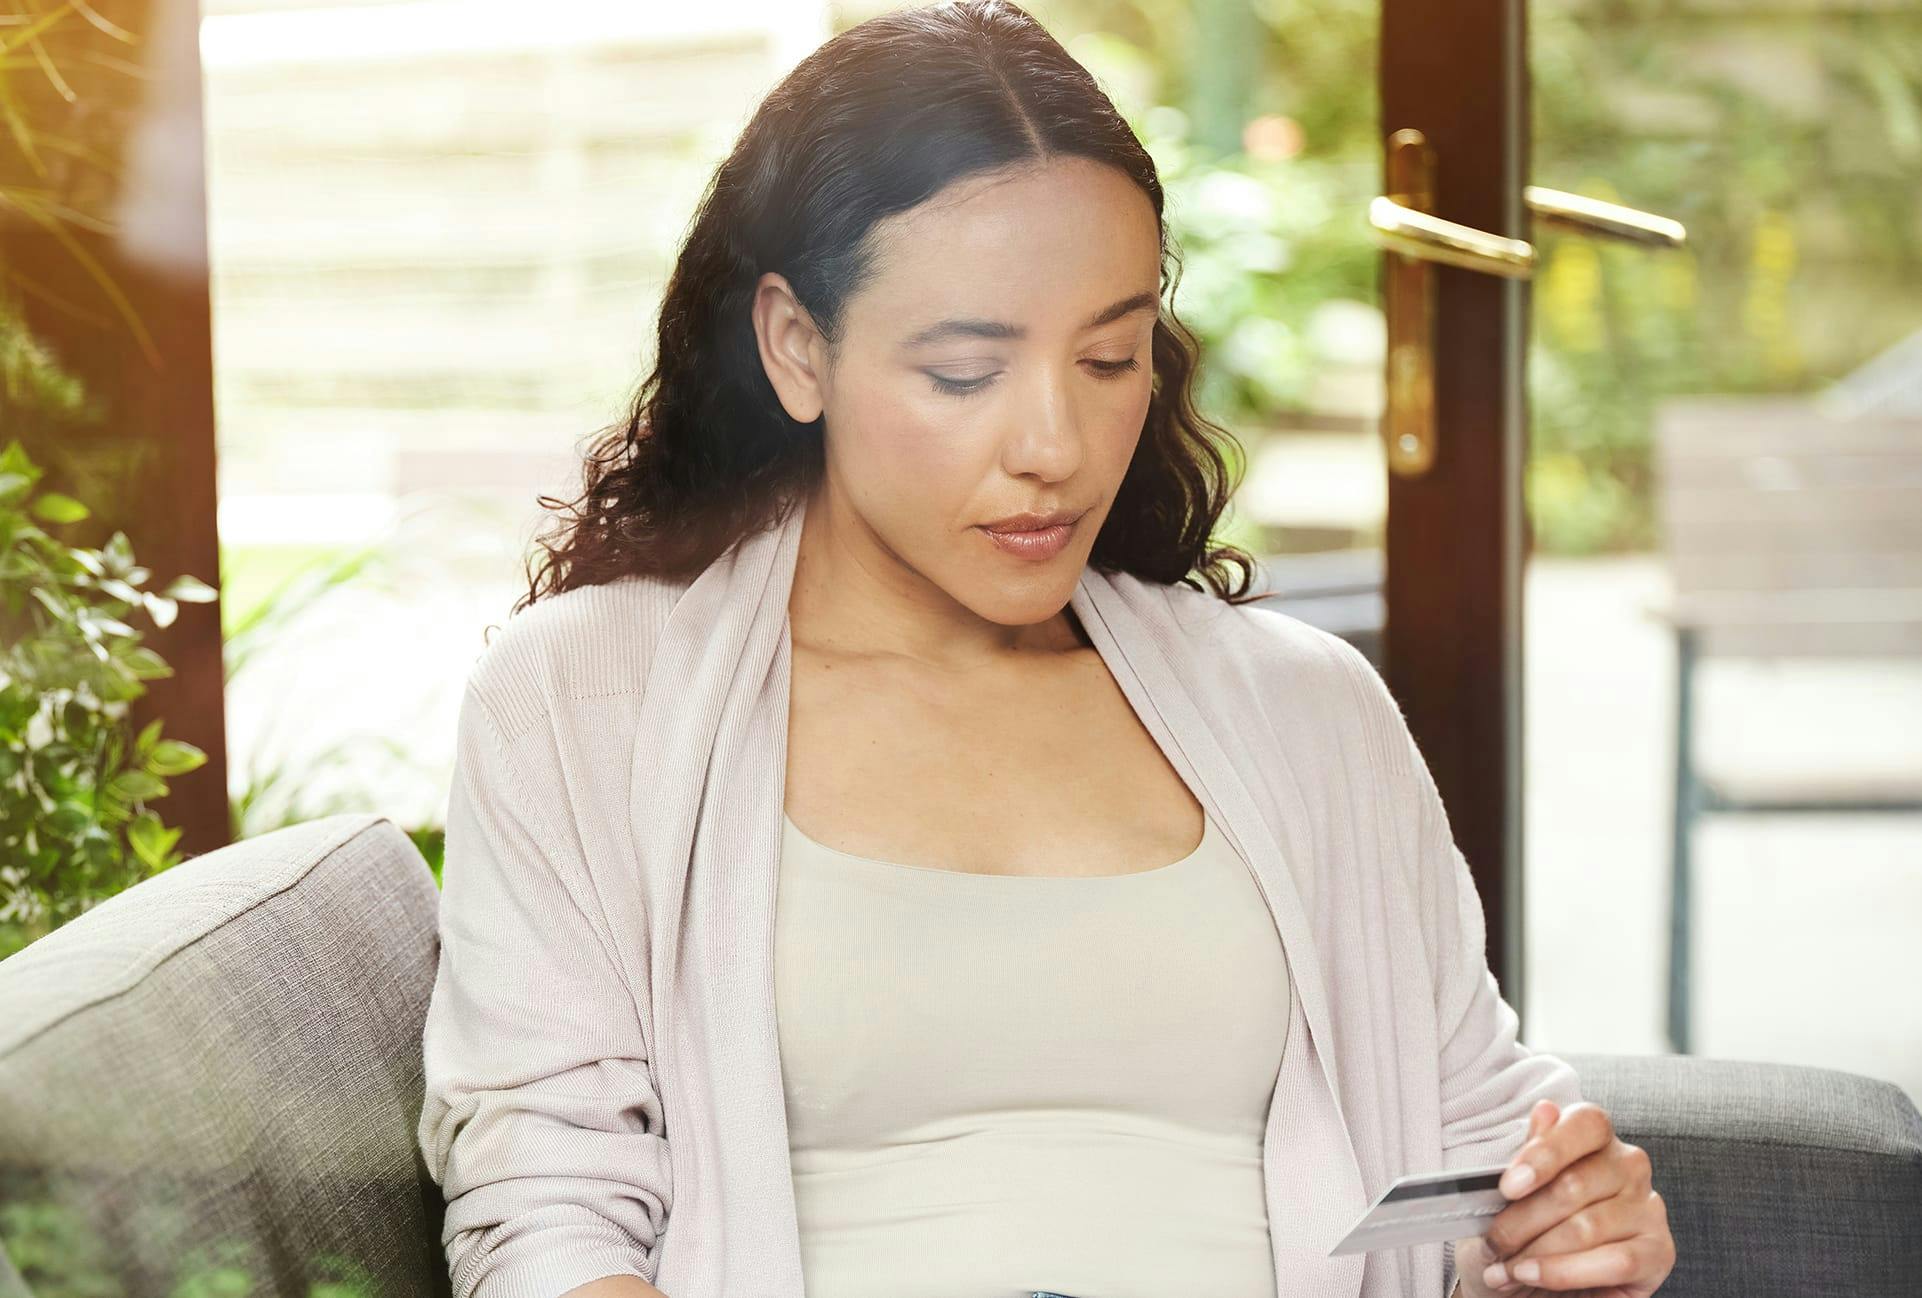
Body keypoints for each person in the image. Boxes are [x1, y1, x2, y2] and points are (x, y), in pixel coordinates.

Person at [416, 3, 1676, 1297]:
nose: (1055, 445)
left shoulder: (1305, 710)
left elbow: (1477, 1139)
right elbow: (544, 1203)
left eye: (1108, 356)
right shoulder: (587, 700)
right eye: (965, 371)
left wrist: (1566, 1230)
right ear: (797, 346)